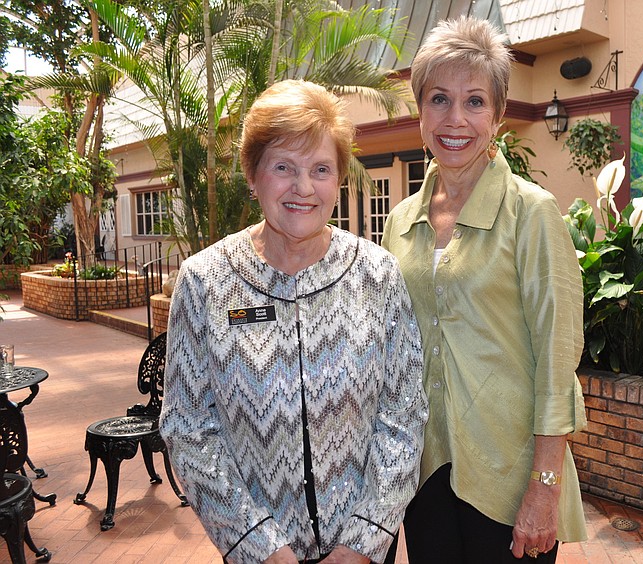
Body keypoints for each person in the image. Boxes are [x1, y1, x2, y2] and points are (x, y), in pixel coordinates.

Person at [159, 79, 428, 564]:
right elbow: (189, 429)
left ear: (339, 179)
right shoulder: (205, 283)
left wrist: (363, 542)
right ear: (252, 174)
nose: (303, 188)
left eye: (320, 169)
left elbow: (403, 418)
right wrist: (260, 546)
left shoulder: (377, 274)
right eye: (284, 167)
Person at [381, 16, 587, 564]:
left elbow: (557, 357)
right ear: (419, 111)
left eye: (475, 102)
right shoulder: (399, 221)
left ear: (497, 115)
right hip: (425, 474)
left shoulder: (532, 213)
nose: (456, 119)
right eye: (439, 99)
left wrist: (545, 486)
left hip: (510, 476)